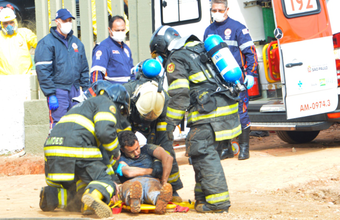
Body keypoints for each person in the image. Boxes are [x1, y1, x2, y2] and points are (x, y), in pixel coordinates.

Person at [149, 26, 242, 213]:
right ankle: (202, 198)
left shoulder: (176, 58)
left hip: (210, 112)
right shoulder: (200, 47)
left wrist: (170, 123)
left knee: (202, 150)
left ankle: (218, 203)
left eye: (159, 55)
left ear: (162, 47)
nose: (161, 59)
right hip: (228, 108)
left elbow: (180, 95)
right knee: (200, 151)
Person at [40, 84, 130, 218]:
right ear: (119, 103)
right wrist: (116, 152)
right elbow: (105, 132)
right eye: (122, 112)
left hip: (53, 149)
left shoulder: (82, 107)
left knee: (81, 188)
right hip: (75, 148)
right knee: (104, 182)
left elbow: (102, 156)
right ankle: (92, 196)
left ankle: (51, 196)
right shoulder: (106, 103)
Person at [203, 0, 258, 160]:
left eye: (220, 10)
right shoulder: (209, 30)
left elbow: (251, 53)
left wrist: (251, 74)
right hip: (217, 81)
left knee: (241, 112)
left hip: (236, 78)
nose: (217, 13)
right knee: (221, 114)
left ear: (227, 9)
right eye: (214, 10)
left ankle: (244, 148)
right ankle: (226, 148)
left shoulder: (238, 27)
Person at [123, 58, 183, 202]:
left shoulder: (128, 88)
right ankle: (172, 189)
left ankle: (169, 188)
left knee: (161, 149)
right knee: (164, 149)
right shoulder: (159, 91)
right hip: (139, 119)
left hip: (153, 120)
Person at [34, 8, 90, 129]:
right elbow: (43, 71)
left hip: (75, 90)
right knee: (59, 126)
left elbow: (84, 68)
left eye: (70, 20)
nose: (68, 23)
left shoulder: (77, 43)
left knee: (76, 124)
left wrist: (86, 89)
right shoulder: (47, 43)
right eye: (65, 20)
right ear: (57, 21)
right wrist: (50, 94)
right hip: (58, 91)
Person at [115, 130, 173, 214]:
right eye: (131, 152)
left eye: (137, 148)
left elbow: (168, 158)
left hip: (151, 181)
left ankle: (160, 201)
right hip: (131, 182)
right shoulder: (119, 158)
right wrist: (151, 171)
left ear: (138, 143)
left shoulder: (147, 149)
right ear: (122, 150)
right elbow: (128, 172)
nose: (136, 153)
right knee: (130, 190)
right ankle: (134, 201)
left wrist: (164, 182)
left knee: (153, 191)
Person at [90, 15, 134, 84]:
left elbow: (132, 71)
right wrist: (99, 91)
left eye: (122, 30)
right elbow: (96, 73)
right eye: (117, 30)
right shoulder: (104, 47)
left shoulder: (126, 48)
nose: (120, 32)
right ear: (110, 30)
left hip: (127, 89)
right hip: (112, 90)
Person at [0, 5, 37, 75]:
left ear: (15, 21)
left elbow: (40, 44)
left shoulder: (24, 33)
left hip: (25, 77)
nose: (9, 25)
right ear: (1, 24)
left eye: (11, 22)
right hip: (5, 79)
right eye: (6, 23)